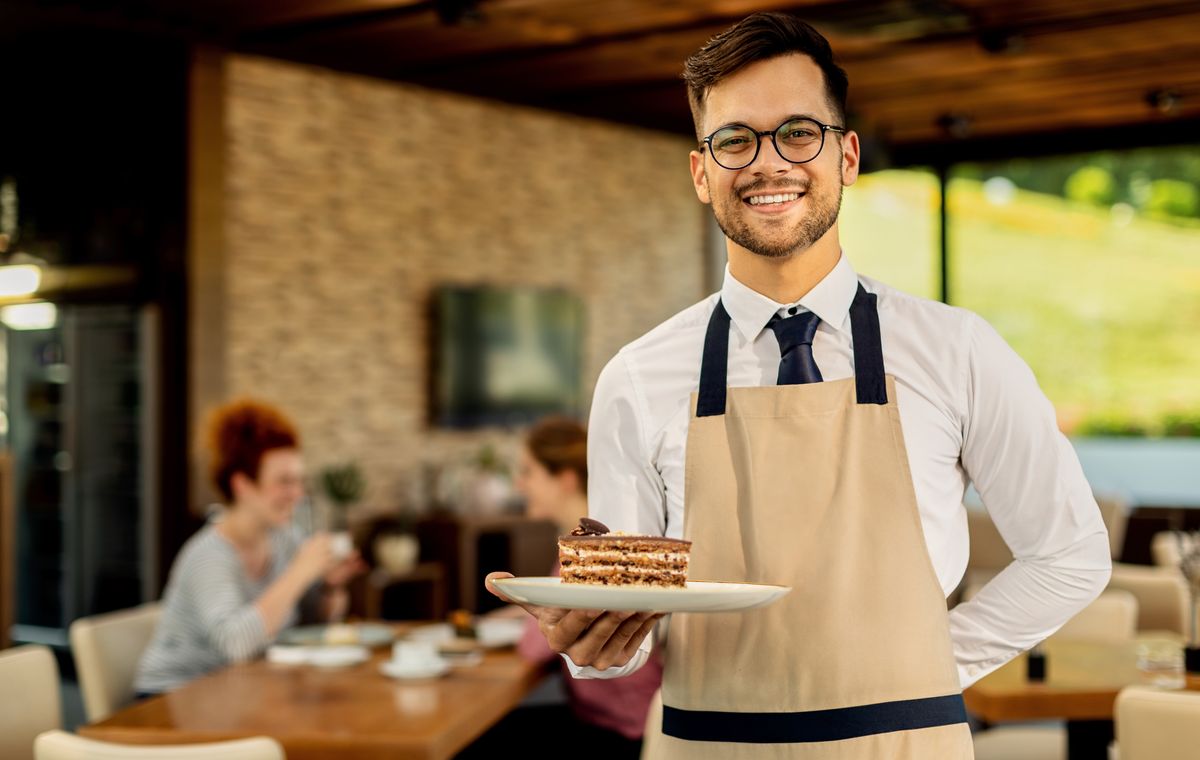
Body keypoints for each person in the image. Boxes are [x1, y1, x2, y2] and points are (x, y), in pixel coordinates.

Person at [487, 11, 1112, 758]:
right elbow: (626, 631)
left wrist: (931, 662)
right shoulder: (636, 377)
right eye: (735, 140)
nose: (768, 162)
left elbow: (1068, 554)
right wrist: (590, 643)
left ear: (846, 156)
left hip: (904, 744)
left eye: (798, 132)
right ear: (701, 172)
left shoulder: (958, 351)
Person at [135, 399, 365, 695]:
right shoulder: (207, 555)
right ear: (242, 485)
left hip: (239, 694)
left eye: (298, 481)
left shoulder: (285, 539)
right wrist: (299, 573)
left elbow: (308, 623)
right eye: (283, 482)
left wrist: (330, 587)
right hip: (171, 700)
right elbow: (237, 646)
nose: (296, 494)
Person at [513, 417, 662, 755]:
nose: (518, 484)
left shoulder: (590, 549)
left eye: (528, 472)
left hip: (623, 733)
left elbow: (533, 646)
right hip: (614, 719)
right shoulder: (596, 532)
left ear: (564, 479)